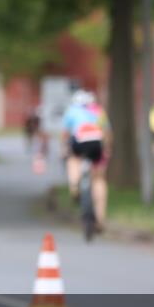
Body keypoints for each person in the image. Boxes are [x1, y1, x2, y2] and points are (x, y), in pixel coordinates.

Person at [61, 89, 111, 232]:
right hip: (97, 143)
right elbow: (107, 133)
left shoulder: (71, 111)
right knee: (99, 179)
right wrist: (107, 150)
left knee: (73, 160)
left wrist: (63, 149)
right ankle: (100, 218)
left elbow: (65, 134)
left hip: (79, 141)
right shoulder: (99, 111)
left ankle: (75, 186)